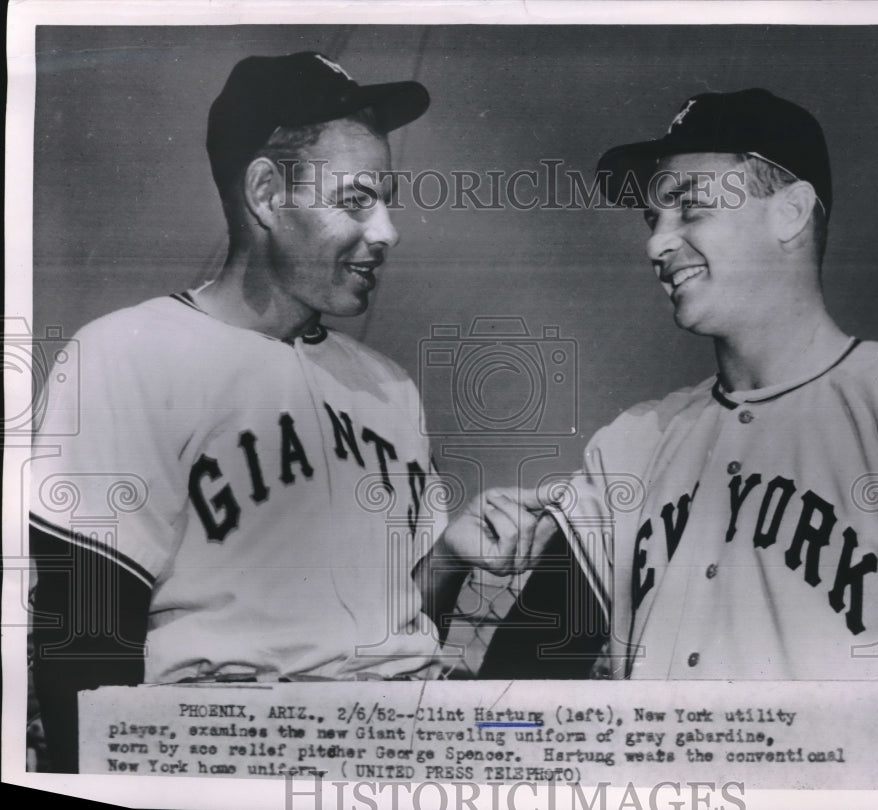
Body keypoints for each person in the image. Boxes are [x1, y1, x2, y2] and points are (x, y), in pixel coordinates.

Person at [28, 52, 536, 773]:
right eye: (357, 200)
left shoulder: (388, 389)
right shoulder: (128, 355)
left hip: (405, 751)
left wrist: (451, 555)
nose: (388, 231)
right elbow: (81, 649)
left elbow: (393, 627)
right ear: (266, 193)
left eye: (385, 201)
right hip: (237, 757)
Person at [480, 88, 878, 790]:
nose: (658, 242)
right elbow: (518, 690)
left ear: (790, 212)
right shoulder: (632, 444)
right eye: (652, 217)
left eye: (690, 206)